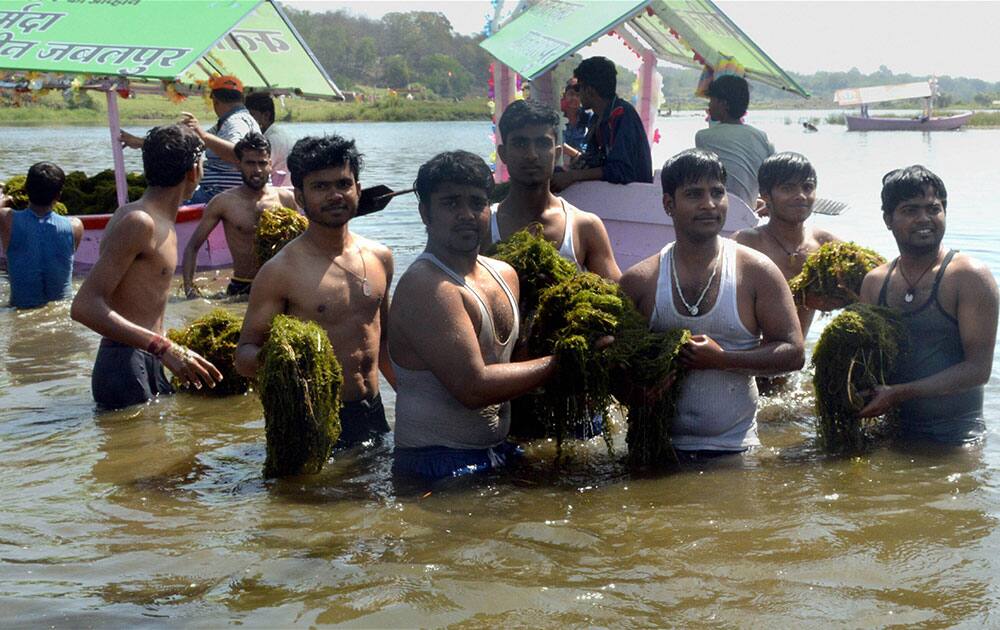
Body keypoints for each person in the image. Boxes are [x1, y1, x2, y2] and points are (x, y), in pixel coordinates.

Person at [389, 151, 570, 480]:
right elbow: (472, 388)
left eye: (477, 202)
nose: (466, 215)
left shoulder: (505, 274)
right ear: (425, 213)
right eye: (450, 203)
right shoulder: (426, 285)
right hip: (437, 462)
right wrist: (562, 363)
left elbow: (514, 366)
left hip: (499, 450)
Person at [619, 149, 804, 456]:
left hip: (735, 449)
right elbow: (614, 362)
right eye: (694, 194)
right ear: (669, 204)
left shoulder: (756, 272)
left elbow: (793, 353)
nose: (709, 204)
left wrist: (723, 360)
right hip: (654, 451)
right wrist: (633, 391)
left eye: (717, 193)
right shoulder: (641, 280)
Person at [235, 135, 395, 448]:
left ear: (358, 190)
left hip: (374, 413)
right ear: (300, 196)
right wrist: (290, 362)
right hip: (312, 419)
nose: (335, 195)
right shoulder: (280, 271)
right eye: (320, 187)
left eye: (343, 184)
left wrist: (417, 403)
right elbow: (244, 355)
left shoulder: (380, 257)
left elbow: (385, 342)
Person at [71, 125, 223, 409]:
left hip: (147, 356)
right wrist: (162, 347)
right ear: (193, 171)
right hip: (124, 363)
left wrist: (169, 346)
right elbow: (84, 305)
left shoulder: (158, 220)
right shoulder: (140, 222)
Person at [858, 165, 998, 443]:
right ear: (888, 219)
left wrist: (898, 393)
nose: (924, 219)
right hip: (893, 435)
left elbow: (977, 370)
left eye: (933, 209)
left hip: (958, 438)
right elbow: (868, 360)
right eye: (910, 210)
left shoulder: (968, 276)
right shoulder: (875, 282)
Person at [490, 99, 621, 280]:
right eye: (520, 144)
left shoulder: (583, 226)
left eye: (543, 143)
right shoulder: (484, 225)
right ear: (503, 154)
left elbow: (620, 300)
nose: (532, 155)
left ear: (557, 153)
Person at [734, 152, 839, 337]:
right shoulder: (744, 244)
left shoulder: (825, 245)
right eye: (788, 188)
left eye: (808, 187)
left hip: (797, 355)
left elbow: (867, 287)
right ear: (765, 195)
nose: (800, 196)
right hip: (750, 354)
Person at [181, 132, 297, 298]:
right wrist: (189, 291)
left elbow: (303, 245)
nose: (257, 170)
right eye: (250, 163)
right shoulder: (223, 202)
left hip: (279, 285)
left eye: (262, 163)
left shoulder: (285, 199)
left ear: (270, 164)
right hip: (242, 286)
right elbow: (192, 247)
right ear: (238, 165)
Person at [121, 76, 261, 205]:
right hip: (217, 191)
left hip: (220, 195)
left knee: (163, 201)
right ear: (241, 99)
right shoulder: (226, 122)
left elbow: (238, 154)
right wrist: (140, 142)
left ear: (216, 102)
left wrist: (201, 134)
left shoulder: (236, 122)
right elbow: (191, 144)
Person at [551, 56, 653, 191]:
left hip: (633, 197)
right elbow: (594, 162)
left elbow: (621, 170)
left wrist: (573, 176)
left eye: (579, 88)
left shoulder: (621, 115)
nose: (578, 94)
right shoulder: (597, 119)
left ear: (589, 90)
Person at [0, 162, 83, 308]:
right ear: (58, 196)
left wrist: (5, 199)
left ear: (25, 189)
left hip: (20, 309)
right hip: (62, 309)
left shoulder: (7, 218)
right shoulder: (75, 226)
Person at [694, 75, 774, 209]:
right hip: (749, 212)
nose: (709, 105)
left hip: (719, 211)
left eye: (712, 100)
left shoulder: (704, 137)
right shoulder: (761, 137)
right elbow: (774, 176)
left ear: (723, 104)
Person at [245, 92, 293, 186]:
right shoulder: (280, 133)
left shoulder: (271, 139)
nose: (247, 120)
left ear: (266, 115)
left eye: (251, 115)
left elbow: (260, 171)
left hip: (278, 191)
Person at [559, 78, 591, 163]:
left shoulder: (587, 116)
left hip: (584, 160)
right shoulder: (558, 117)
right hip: (563, 160)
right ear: (564, 95)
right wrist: (576, 154)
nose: (574, 98)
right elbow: (558, 141)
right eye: (571, 94)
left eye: (578, 95)